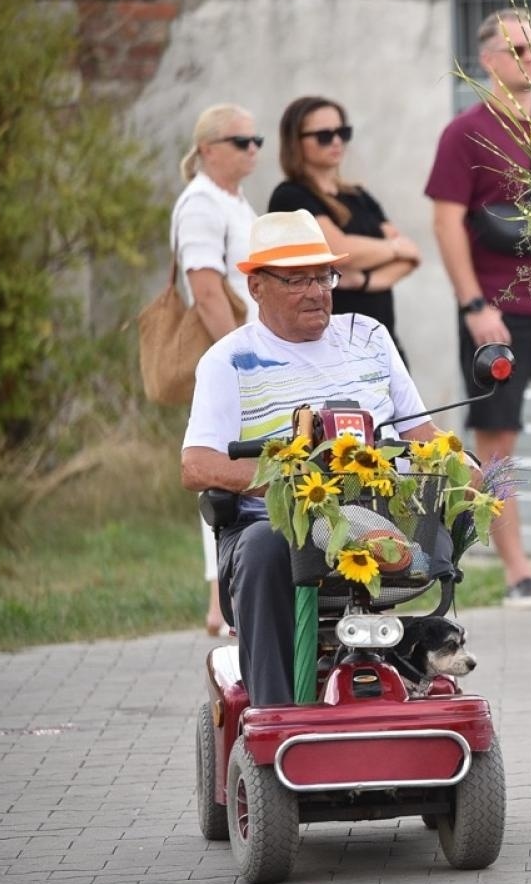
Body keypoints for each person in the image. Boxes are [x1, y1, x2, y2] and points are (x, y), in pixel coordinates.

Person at [181, 210, 439, 706]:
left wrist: (466, 469)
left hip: (380, 517)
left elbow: (422, 435)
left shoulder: (368, 335)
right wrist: (286, 483)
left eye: (324, 277)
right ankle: (274, 713)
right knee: (264, 545)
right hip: (274, 525)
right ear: (256, 287)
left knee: (440, 534)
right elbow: (196, 465)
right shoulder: (229, 359)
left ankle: (421, 682)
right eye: (297, 280)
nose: (317, 292)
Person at [426, 8, 531, 609]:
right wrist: (474, 305)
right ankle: (518, 574)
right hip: (497, 311)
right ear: (487, 60)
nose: (530, 59)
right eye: (518, 50)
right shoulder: (464, 132)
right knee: (497, 444)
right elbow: (446, 223)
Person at [172, 103, 261, 638]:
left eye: (256, 141)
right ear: (207, 149)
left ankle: (223, 599)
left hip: (246, 354)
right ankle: (219, 603)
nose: (253, 150)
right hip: (230, 359)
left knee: (236, 473)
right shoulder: (201, 202)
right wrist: (239, 357)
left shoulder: (234, 199)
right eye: (241, 141)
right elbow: (205, 288)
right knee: (220, 474)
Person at [269, 95, 419, 361]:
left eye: (343, 132)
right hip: (331, 349)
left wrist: (364, 281)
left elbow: (411, 257)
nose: (336, 141)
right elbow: (338, 250)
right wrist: (393, 248)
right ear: (296, 141)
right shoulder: (290, 196)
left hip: (382, 343)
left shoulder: (358, 195)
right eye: (324, 135)